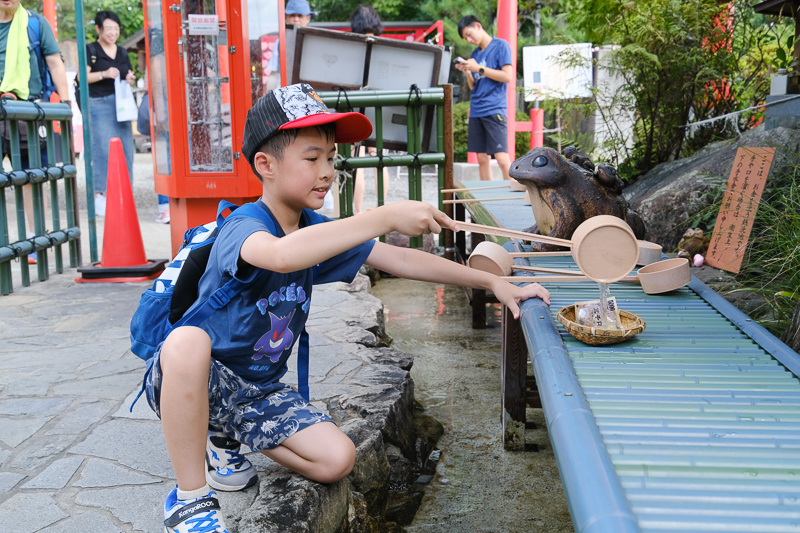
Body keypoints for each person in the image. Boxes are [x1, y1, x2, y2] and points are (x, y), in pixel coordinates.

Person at [143, 82, 550, 532]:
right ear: (266, 165)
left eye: (332, 158)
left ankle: (224, 432)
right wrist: (383, 215)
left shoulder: (315, 227)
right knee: (185, 343)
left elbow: (398, 258)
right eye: (312, 157)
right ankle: (190, 497)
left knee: (338, 459)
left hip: (258, 390)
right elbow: (281, 255)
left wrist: (492, 281)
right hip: (198, 375)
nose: (327, 170)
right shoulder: (244, 225)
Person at [0, 0, 69, 264]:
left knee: (31, 177)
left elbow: (55, 63)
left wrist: (66, 104)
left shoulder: (35, 24)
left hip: (27, 111)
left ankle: (33, 237)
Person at [84, 10, 136, 216]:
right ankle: (101, 195)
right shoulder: (91, 49)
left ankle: (124, 194)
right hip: (99, 103)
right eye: (108, 28)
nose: (113, 32)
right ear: (98, 29)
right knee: (103, 149)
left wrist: (129, 77)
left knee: (126, 150)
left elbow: (127, 74)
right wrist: (103, 74)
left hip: (121, 105)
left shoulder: (122, 52)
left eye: (116, 28)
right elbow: (83, 77)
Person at [455, 15, 513, 182]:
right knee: (482, 159)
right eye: (465, 38)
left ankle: (515, 197)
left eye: (469, 34)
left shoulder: (501, 45)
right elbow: (474, 86)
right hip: (476, 110)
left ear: (478, 26)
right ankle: (487, 200)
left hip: (494, 109)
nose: (468, 39)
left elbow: (507, 76)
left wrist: (479, 68)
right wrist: (467, 71)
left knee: (502, 159)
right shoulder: (475, 54)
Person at [349, 3, 389, 214]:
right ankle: (381, 209)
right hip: (380, 106)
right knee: (379, 158)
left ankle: (357, 212)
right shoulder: (383, 44)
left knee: (357, 160)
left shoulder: (353, 45)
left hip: (357, 105)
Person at [265, 0, 316, 91]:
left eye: (300, 16)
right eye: (292, 15)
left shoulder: (315, 42)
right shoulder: (279, 43)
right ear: (286, 17)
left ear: (308, 18)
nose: (296, 19)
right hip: (289, 92)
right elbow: (274, 74)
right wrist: (268, 96)